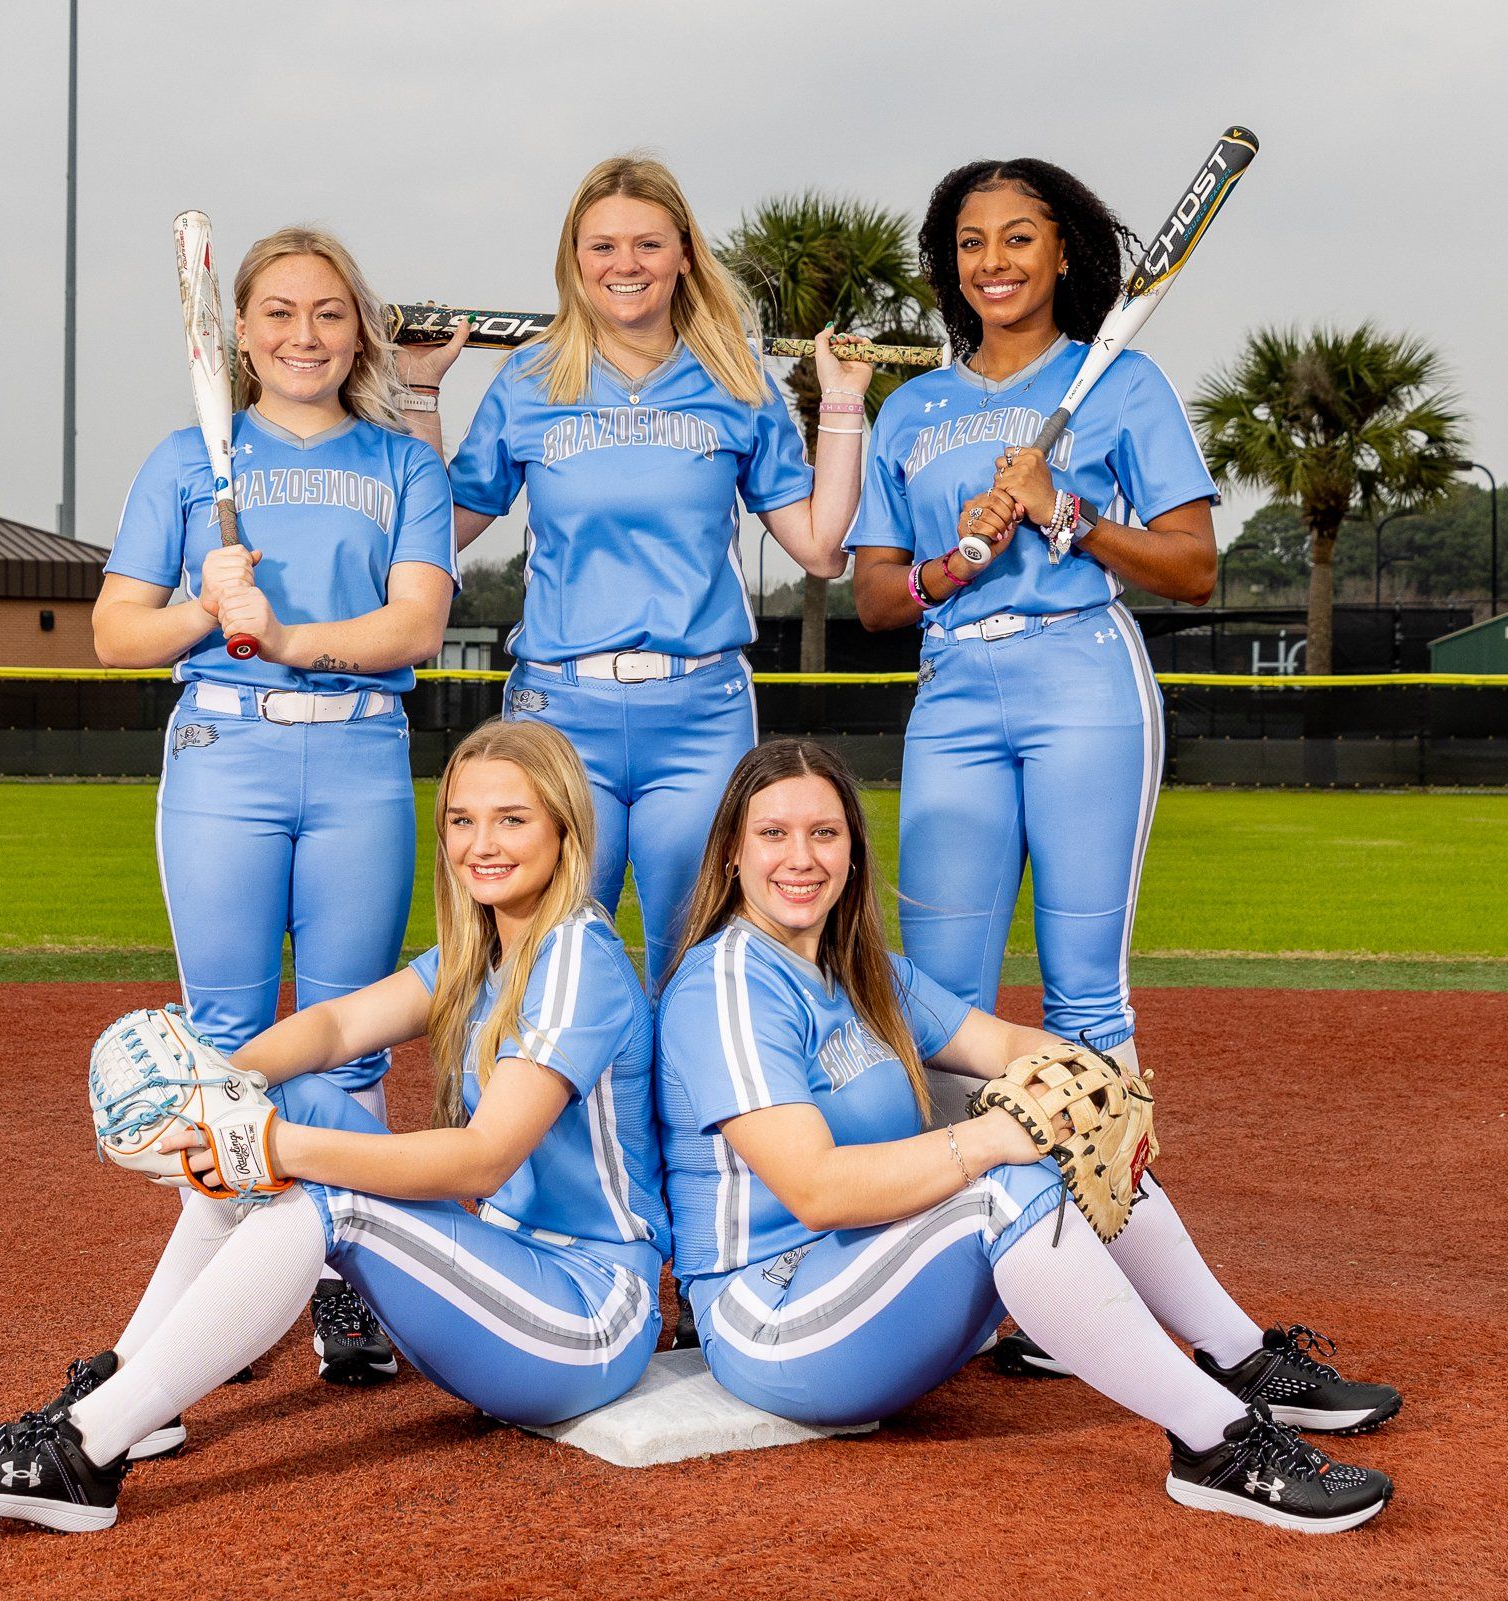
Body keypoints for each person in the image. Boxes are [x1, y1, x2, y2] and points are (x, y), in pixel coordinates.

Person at [0, 720, 666, 1533]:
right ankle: (130, 1386)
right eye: (462, 820)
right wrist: (218, 1088)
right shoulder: (482, 952)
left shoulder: (576, 959)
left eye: (512, 818)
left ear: (564, 828)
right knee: (281, 1100)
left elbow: (482, 1160)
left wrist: (270, 1146)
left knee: (326, 1194)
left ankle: (82, 1453)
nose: (482, 843)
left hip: (586, 1313)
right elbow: (334, 1027)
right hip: (509, 1277)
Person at [653, 740, 1399, 1534]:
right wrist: (993, 1138)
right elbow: (816, 1189)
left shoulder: (866, 971)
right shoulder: (727, 984)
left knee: (1064, 1130)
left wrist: (1086, 1081)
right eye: (773, 833)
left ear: (853, 851)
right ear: (732, 852)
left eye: (824, 833)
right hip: (775, 1315)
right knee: (1004, 1182)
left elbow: (1005, 1043)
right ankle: (1217, 1443)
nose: (801, 857)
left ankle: (1241, 1357)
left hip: (876, 1282)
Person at [846, 161, 1221, 1377]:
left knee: (1084, 998)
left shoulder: (1120, 382)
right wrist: (949, 566)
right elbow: (873, 597)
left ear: (1063, 255)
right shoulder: (910, 411)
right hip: (954, 690)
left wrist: (1067, 516)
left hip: (1082, 682)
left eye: (1019, 237)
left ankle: (1096, 1264)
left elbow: (1193, 567)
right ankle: (963, 1270)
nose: (994, 261)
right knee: (939, 999)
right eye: (971, 241)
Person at [93, 225, 456, 1378]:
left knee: (349, 1045)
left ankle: (342, 1281)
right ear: (238, 335)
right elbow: (115, 634)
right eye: (281, 313)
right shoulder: (183, 462)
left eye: (330, 312)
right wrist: (204, 610)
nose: (306, 335)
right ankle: (221, 1300)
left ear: (361, 332)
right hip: (224, 753)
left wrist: (288, 634)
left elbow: (417, 624)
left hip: (357, 756)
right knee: (228, 1045)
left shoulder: (403, 464)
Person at [398, 154, 874, 990]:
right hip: (558, 714)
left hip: (699, 713)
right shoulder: (529, 379)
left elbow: (821, 547)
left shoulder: (736, 379)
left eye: (648, 244)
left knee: (696, 962)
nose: (626, 264)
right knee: (545, 965)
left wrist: (841, 402)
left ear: (684, 253)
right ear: (574, 260)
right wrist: (418, 395)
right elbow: (434, 533)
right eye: (603, 246)